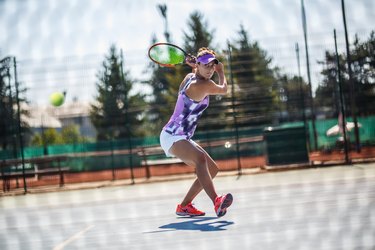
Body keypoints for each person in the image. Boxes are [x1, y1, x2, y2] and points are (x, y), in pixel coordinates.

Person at [159, 47, 233, 217]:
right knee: (200, 160)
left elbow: (195, 75)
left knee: (212, 169)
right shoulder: (205, 84)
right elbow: (223, 89)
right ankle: (217, 201)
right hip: (172, 135)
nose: (210, 69)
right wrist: (221, 72)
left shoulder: (189, 77)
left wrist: (195, 67)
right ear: (198, 65)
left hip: (181, 136)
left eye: (213, 66)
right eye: (206, 65)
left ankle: (184, 206)